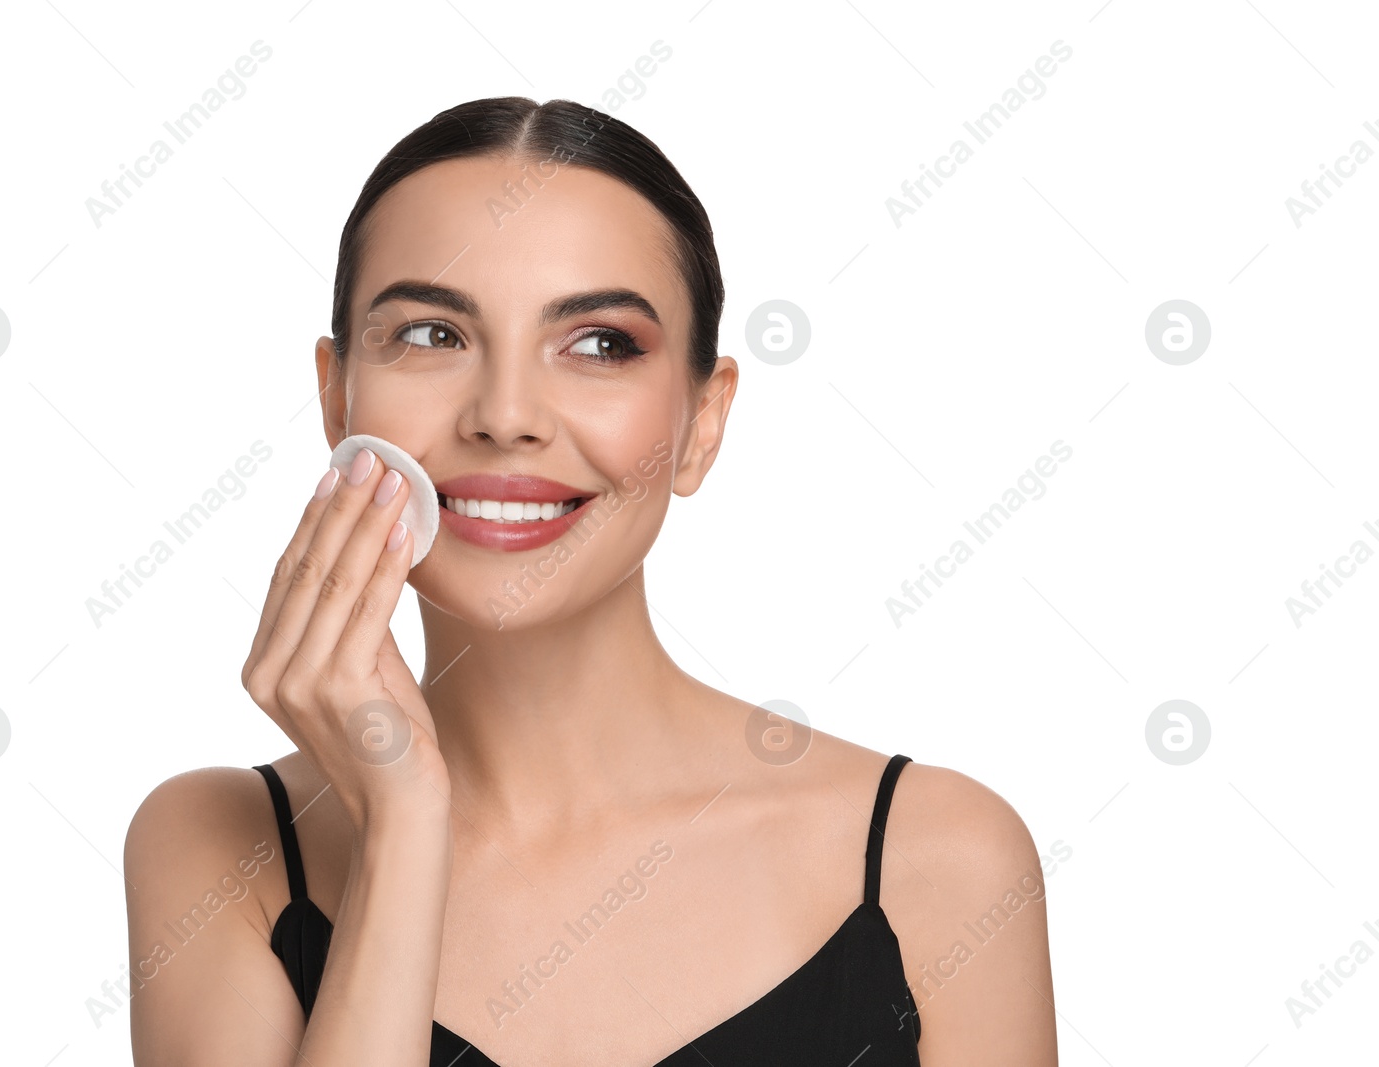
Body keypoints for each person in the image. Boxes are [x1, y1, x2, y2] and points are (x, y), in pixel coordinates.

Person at [124, 96, 1057, 1066]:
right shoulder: (219, 845)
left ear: (704, 419)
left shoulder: (937, 855)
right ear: (335, 396)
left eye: (600, 343)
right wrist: (402, 825)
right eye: (432, 334)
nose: (507, 413)